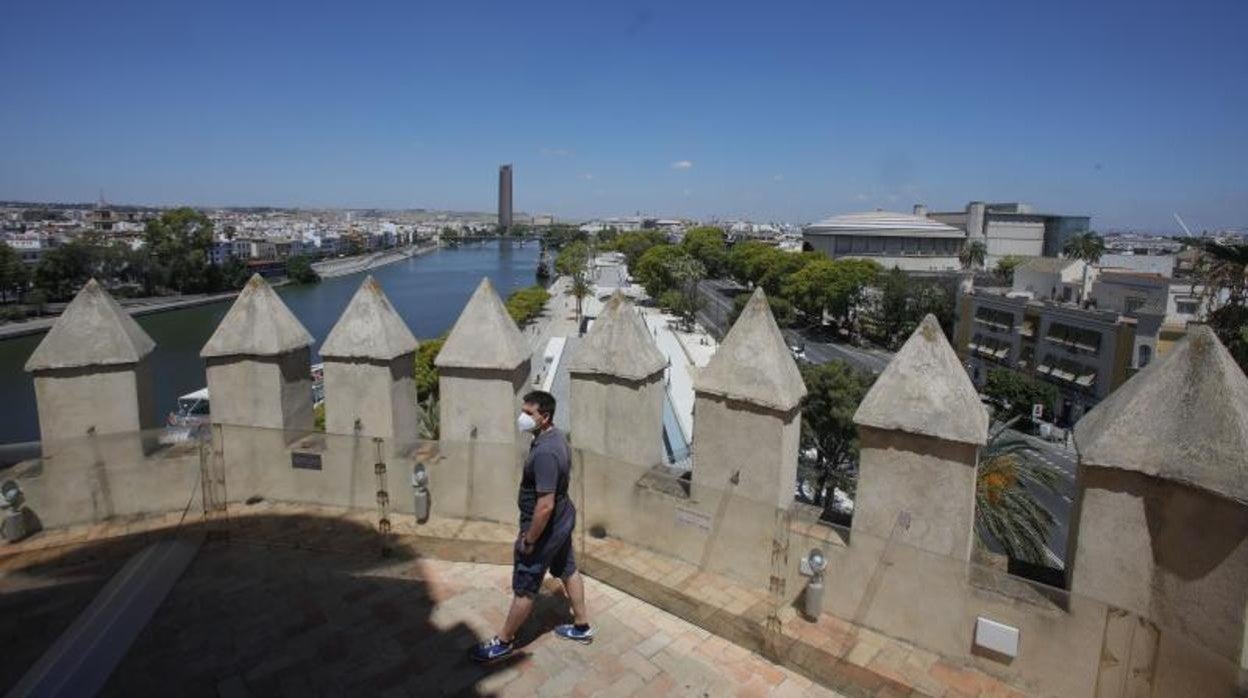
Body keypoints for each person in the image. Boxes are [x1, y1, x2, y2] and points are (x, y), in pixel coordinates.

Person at [469, 390, 593, 663]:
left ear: (544, 416)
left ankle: (503, 641)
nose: (522, 417)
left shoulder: (546, 453)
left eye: (528, 413)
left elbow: (545, 504)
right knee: (568, 569)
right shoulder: (557, 436)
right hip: (563, 518)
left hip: (546, 526)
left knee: (526, 585)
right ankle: (581, 626)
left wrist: (531, 539)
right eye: (523, 411)